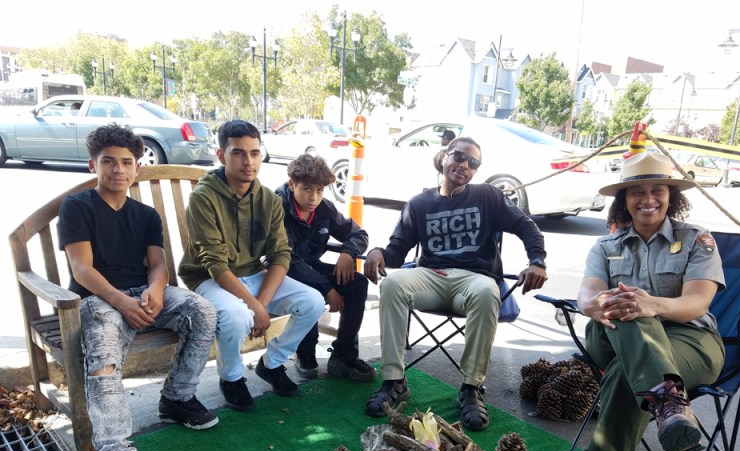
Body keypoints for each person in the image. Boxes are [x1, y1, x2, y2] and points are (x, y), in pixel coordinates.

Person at [556, 150, 725, 451]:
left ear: (671, 196)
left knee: (623, 374)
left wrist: (654, 304)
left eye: (658, 190)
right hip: (614, 335)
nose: (648, 198)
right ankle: (669, 400)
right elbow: (588, 293)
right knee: (624, 305)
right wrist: (594, 304)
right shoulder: (606, 245)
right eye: (637, 191)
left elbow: (698, 303)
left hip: (691, 341)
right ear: (624, 199)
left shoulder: (695, 239)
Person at [57, 124, 219, 451]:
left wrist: (157, 290)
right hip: (99, 299)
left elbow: (158, 264)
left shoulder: (145, 214)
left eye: (126, 162)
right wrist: (122, 302)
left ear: (137, 169)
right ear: (92, 165)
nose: (118, 169)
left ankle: (178, 397)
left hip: (144, 296)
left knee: (202, 310)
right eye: (108, 161)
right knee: (104, 356)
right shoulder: (77, 207)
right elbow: (82, 270)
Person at [363, 136, 547, 431]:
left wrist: (537, 261)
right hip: (431, 277)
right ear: (444, 157)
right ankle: (394, 381)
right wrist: (378, 252)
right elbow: (397, 249)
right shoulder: (419, 203)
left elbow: (526, 226)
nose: (464, 165)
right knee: (393, 284)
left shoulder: (488, 196)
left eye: (473, 162)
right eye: (459, 157)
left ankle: (471, 390)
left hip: (475, 280)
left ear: (476, 170)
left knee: (488, 293)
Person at [178, 120, 325, 411]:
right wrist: (254, 308)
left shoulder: (268, 199)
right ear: (221, 156)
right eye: (238, 153)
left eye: (255, 153)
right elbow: (214, 263)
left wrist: (262, 303)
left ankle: (272, 363)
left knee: (313, 301)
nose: (249, 161)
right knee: (235, 315)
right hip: (209, 279)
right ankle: (231, 378)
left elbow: (280, 253)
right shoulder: (203, 197)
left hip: (253, 273)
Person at [275, 154, 377, 382]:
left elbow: (358, 233)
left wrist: (347, 253)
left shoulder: (324, 209)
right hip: (281, 273)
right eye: (307, 189)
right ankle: (305, 353)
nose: (314, 197)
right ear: (292, 185)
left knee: (357, 283)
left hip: (311, 267)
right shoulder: (277, 206)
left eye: (320, 190)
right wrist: (327, 289)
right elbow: (287, 260)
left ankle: (343, 355)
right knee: (310, 293)